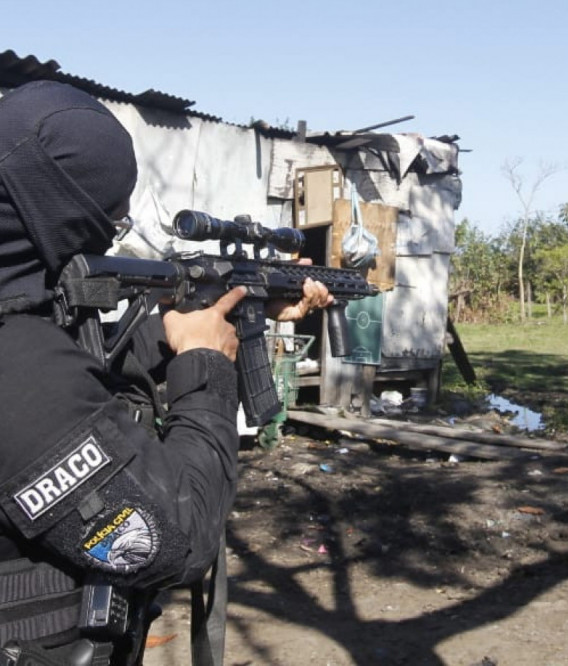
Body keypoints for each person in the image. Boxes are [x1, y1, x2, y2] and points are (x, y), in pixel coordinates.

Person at [0, 80, 331, 666]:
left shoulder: (24, 319)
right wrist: (206, 364)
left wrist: (215, 315)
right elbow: (175, 540)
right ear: (59, 205)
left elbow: (80, 378)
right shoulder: (17, 361)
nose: (121, 219)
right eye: (108, 206)